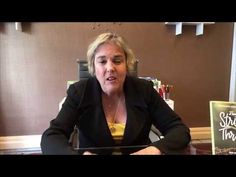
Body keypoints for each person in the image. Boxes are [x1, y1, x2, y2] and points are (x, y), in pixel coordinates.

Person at [41, 32, 191, 155]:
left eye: (117, 61)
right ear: (93, 66)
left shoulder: (144, 90)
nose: (110, 68)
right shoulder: (79, 92)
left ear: (127, 64)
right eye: (102, 61)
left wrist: (153, 150)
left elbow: (179, 130)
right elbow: (51, 136)